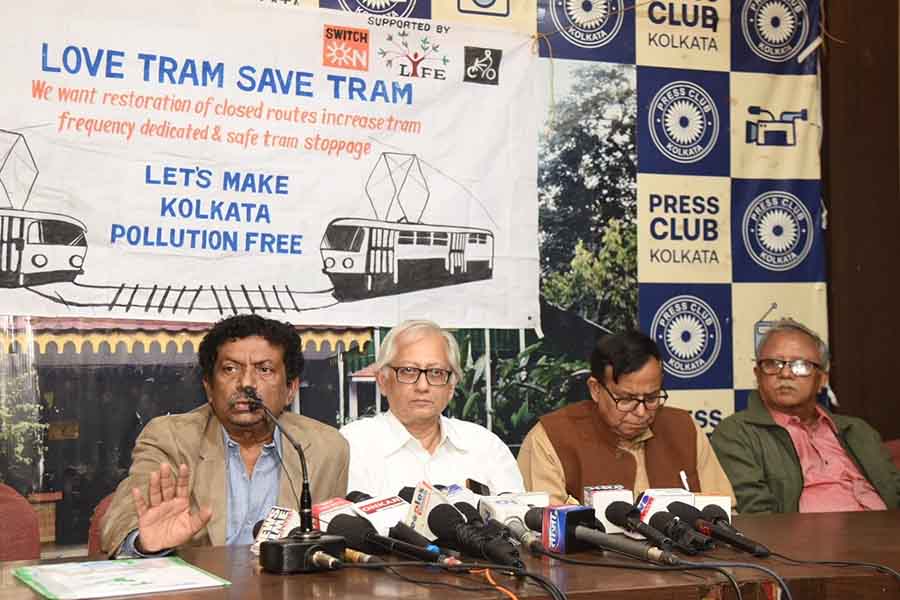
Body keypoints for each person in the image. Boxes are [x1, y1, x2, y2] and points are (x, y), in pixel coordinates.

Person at [101, 314, 349, 556]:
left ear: (290, 389)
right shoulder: (170, 439)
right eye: (230, 369)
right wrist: (143, 542)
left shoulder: (325, 448)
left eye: (264, 369)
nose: (246, 383)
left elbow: (329, 543)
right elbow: (123, 516)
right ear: (209, 387)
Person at [517, 330, 734, 504]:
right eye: (626, 399)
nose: (641, 412)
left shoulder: (684, 429)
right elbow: (544, 529)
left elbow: (724, 512)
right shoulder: (550, 439)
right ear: (595, 389)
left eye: (651, 398)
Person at [711, 319, 899, 513]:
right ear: (758, 375)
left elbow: (895, 491)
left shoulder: (858, 430)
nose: (785, 374)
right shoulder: (736, 433)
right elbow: (758, 515)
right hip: (808, 532)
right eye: (772, 364)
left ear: (822, 379)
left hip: (886, 527)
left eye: (801, 365)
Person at [340, 319, 524, 497]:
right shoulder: (352, 447)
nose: (422, 386)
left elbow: (516, 514)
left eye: (436, 372)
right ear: (383, 381)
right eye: (408, 371)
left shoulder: (485, 446)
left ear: (451, 386)